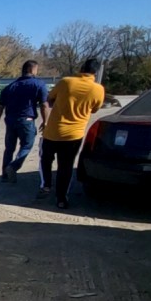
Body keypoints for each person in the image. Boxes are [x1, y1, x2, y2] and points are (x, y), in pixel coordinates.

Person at [40, 58, 105, 208]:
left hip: (53, 132)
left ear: (81, 67)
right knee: (66, 166)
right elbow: (95, 109)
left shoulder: (65, 82)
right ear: (95, 72)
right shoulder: (98, 89)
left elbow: (50, 98)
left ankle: (46, 184)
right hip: (74, 135)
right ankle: (61, 198)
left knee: (45, 159)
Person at [0, 60, 49, 183]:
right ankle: (13, 166)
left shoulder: (10, 87)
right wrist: (45, 121)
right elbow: (44, 105)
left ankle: (5, 175)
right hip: (26, 121)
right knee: (27, 145)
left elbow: (0, 107)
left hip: (10, 121)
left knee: (9, 148)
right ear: (32, 70)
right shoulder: (38, 85)